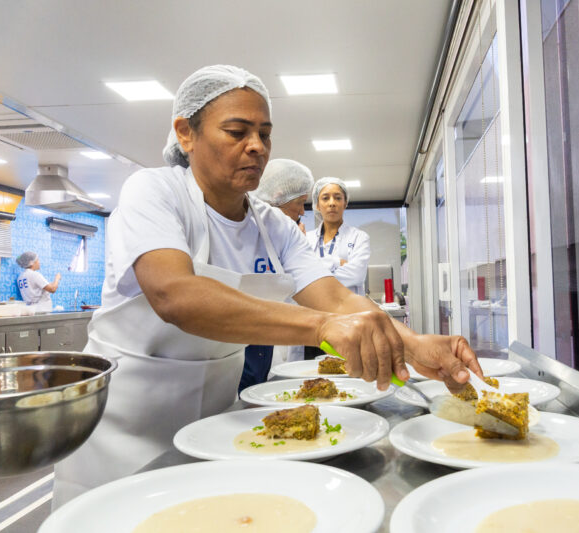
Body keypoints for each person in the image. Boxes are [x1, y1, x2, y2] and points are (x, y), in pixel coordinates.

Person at [53, 64, 481, 506]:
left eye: (265, 133)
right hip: (124, 432)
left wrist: (413, 345)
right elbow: (174, 295)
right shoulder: (154, 192)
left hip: (215, 428)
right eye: (237, 131)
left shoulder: (271, 223)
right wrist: (319, 329)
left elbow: (335, 297)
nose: (256, 147)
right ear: (186, 133)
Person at [240, 158, 315, 389]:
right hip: (234, 346)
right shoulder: (241, 227)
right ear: (279, 195)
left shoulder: (284, 231)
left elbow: (326, 291)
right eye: (301, 202)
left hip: (266, 343)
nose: (303, 211)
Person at [308, 177, 371, 296]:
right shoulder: (307, 239)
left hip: (350, 311)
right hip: (316, 310)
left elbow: (356, 275)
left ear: (345, 203)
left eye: (337, 198)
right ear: (317, 205)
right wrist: (337, 262)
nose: (332, 203)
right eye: (325, 198)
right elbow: (301, 273)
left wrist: (315, 274)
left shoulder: (359, 237)